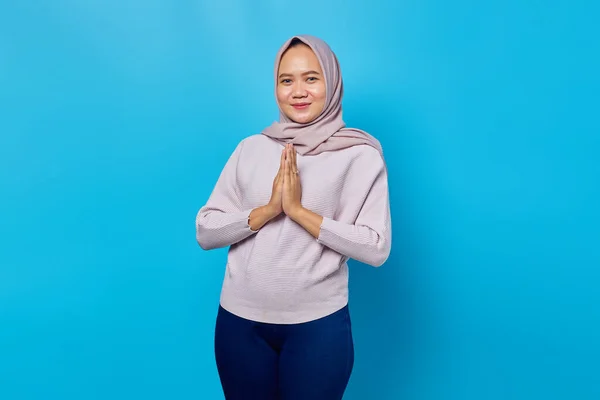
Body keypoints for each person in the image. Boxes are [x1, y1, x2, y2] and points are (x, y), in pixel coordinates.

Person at [195, 34, 392, 400]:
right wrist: (268, 210)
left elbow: (376, 247)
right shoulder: (251, 148)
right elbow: (206, 231)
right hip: (240, 323)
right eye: (287, 80)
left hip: (317, 327)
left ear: (331, 83)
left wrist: (300, 212)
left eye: (311, 78)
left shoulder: (359, 155)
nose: (298, 91)